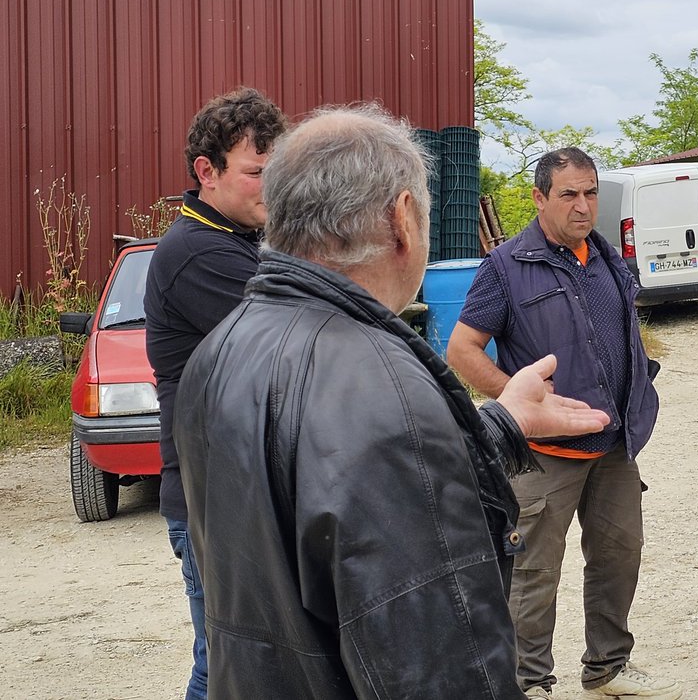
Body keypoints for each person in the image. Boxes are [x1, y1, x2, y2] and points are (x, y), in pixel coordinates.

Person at [173, 105, 611, 698]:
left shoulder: (221, 351)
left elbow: (323, 495)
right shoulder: (383, 385)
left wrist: (505, 423)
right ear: (402, 218)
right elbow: (434, 658)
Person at [448, 148, 680, 700]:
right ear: (539, 198)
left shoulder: (607, 259)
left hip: (614, 446)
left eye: (591, 192)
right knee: (532, 575)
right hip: (543, 455)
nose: (583, 206)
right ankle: (529, 684)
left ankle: (609, 668)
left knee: (620, 556)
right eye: (569, 194)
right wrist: (519, 402)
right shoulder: (506, 268)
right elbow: (462, 349)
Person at [144, 86, 288, 699]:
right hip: (214, 501)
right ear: (207, 172)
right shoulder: (198, 252)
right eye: (257, 173)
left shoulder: (241, 243)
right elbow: (299, 330)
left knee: (257, 664)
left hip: (241, 493)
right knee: (225, 666)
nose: (271, 188)